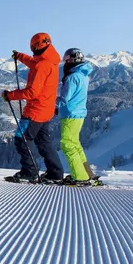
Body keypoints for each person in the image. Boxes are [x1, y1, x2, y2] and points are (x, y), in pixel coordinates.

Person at [1, 32, 64, 183]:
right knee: (44, 143)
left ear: (35, 47)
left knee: (21, 138)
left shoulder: (42, 65)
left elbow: (32, 92)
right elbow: (34, 63)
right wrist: (20, 57)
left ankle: (29, 171)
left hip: (35, 111)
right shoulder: (50, 61)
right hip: (46, 110)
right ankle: (55, 173)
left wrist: (10, 95)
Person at [56, 48, 96, 185]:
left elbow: (65, 98)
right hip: (78, 113)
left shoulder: (72, 77)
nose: (65, 64)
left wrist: (51, 104)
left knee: (67, 144)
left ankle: (79, 176)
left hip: (70, 114)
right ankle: (87, 173)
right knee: (75, 144)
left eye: (66, 60)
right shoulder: (83, 75)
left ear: (71, 60)